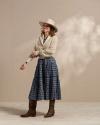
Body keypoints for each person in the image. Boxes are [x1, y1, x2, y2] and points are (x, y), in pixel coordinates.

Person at [20, 18, 61, 118]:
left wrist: (39, 52)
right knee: (35, 86)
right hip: (41, 64)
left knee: (52, 86)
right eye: (43, 26)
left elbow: (51, 52)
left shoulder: (54, 38)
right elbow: (33, 51)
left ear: (50, 28)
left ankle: (51, 110)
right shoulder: (40, 38)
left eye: (46, 26)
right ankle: (31, 111)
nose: (44, 27)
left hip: (50, 64)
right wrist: (26, 62)